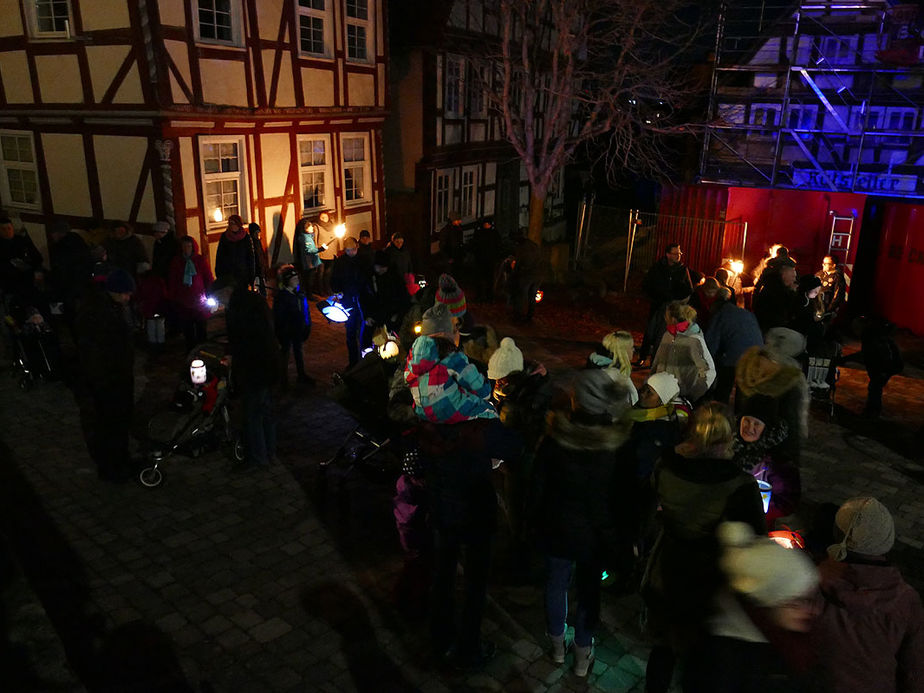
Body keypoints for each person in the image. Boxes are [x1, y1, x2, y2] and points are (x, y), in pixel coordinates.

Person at [406, 302, 520, 670]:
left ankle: (440, 640)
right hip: (474, 507)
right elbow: (511, 444)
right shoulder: (475, 429)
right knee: (474, 582)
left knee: (443, 573)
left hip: (442, 504)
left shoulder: (423, 404)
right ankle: (468, 648)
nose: (460, 334)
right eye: (456, 329)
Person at [642, 403, 766, 693]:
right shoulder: (740, 484)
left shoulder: (665, 465)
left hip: (667, 566)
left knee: (663, 646)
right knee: (700, 652)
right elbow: (755, 540)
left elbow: (647, 507)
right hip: (711, 577)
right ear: (729, 436)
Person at [534, 370, 635, 677]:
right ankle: (582, 656)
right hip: (595, 536)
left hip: (556, 529)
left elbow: (537, 487)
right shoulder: (616, 444)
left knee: (556, 584)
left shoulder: (555, 437)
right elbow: (623, 499)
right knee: (589, 591)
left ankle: (556, 647)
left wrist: (532, 525)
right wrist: (622, 540)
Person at [684, 522, 819, 693]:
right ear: (765, 602)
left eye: (812, 599)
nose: (813, 610)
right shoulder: (725, 665)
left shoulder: (775, 636)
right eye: (796, 602)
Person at [811, 497, 924, 693]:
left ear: (836, 534)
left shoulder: (814, 580)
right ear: (887, 540)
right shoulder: (905, 600)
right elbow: (915, 672)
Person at [76, 269, 137, 482]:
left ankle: (122, 459)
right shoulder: (98, 312)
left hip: (119, 376)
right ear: (115, 291)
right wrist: (103, 379)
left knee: (120, 422)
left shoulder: (115, 307)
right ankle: (112, 468)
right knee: (109, 424)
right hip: (107, 380)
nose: (128, 298)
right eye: (125, 294)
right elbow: (96, 351)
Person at [216, 276, 280, 469]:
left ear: (226, 291)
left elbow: (242, 339)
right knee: (266, 412)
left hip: (255, 367)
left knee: (253, 414)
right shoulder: (254, 299)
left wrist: (232, 356)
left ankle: (258, 458)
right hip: (270, 363)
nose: (219, 303)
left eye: (219, 298)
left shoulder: (238, 307)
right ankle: (270, 454)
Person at [404, 302, 497, 424]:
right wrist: (486, 389)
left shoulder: (414, 355)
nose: (458, 334)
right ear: (445, 334)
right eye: (456, 330)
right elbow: (479, 388)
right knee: (489, 410)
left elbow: (408, 379)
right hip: (448, 410)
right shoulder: (452, 356)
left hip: (423, 412)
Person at [732, 394, 801, 528]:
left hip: (758, 524)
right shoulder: (727, 445)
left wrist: (754, 509)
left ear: (767, 427)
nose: (750, 428)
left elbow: (786, 502)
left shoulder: (777, 459)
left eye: (757, 423)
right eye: (746, 421)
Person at [735, 345, 809, 459]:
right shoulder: (746, 379)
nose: (757, 373)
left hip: (769, 449)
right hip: (767, 448)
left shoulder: (746, 377)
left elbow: (791, 421)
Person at [639, 243, 700, 364]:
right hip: (658, 304)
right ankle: (642, 356)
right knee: (651, 331)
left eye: (679, 253)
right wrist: (654, 296)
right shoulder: (658, 268)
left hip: (672, 307)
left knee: (663, 332)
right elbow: (647, 284)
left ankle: (655, 360)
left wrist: (678, 299)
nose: (678, 256)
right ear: (667, 254)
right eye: (675, 253)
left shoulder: (682, 270)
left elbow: (689, 288)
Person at [705, 288, 764, 403]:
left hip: (734, 356)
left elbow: (711, 343)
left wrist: (707, 364)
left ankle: (720, 410)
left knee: (724, 385)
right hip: (757, 354)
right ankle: (740, 414)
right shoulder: (746, 313)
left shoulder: (720, 315)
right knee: (745, 390)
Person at [651, 301, 716, 402]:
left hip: (682, 397)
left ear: (672, 319)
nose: (664, 318)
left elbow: (709, 370)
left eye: (666, 315)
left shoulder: (694, 340)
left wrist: (693, 393)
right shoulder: (667, 336)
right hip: (661, 394)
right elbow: (657, 360)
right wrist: (651, 382)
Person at [167, 236, 213, 351]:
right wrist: (173, 296)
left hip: (199, 298)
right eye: (184, 246)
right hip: (183, 299)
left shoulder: (200, 260)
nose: (186, 249)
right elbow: (173, 280)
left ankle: (202, 348)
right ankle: (190, 349)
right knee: (187, 327)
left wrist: (210, 292)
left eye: (188, 246)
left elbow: (207, 277)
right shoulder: (177, 262)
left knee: (201, 326)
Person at [47, 219, 92, 328]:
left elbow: (60, 272)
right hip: (80, 288)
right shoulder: (81, 244)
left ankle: (61, 331)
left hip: (65, 289)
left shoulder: (60, 247)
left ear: (58, 233)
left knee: (63, 316)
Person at [273, 265, 313, 386]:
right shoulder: (282, 297)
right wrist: (281, 331)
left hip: (298, 329)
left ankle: (301, 375)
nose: (296, 280)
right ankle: (283, 379)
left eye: (297, 278)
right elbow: (279, 317)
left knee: (298, 352)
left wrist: (307, 324)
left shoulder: (300, 294)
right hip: (287, 331)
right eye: (293, 279)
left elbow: (305, 310)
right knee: (285, 353)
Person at [329, 237, 366, 368]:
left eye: (353, 250)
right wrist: (337, 291)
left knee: (363, 331)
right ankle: (353, 362)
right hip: (348, 301)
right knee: (350, 332)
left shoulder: (362, 260)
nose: (351, 252)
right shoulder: (340, 263)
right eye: (348, 250)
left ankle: (365, 359)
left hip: (362, 299)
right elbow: (334, 279)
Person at [857, 317, 903, 418]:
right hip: (883, 365)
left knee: (875, 387)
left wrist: (884, 371)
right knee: (875, 386)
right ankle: (872, 409)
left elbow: (886, 355)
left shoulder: (876, 340)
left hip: (886, 366)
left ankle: (873, 411)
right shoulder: (872, 338)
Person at [361, 250, 409, 342]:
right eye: (378, 267)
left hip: (391, 320)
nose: (379, 270)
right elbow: (364, 297)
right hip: (373, 319)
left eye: (382, 267)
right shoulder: (370, 277)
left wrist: (397, 315)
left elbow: (403, 298)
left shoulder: (395, 278)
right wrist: (366, 315)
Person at [0, 215, 43, 299]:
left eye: (9, 228)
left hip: (27, 280)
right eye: (3, 229)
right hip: (8, 283)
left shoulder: (22, 241)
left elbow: (37, 258)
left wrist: (31, 268)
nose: (7, 231)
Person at [753, 256, 799, 333]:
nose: (794, 278)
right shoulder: (776, 290)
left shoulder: (770, 285)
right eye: (792, 274)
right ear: (784, 273)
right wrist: (792, 293)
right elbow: (785, 311)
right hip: (773, 332)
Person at [509, 231, 542, 322]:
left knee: (521, 295)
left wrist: (514, 271)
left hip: (526, 274)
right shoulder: (534, 246)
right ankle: (530, 315)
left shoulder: (521, 248)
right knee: (532, 295)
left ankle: (519, 315)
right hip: (537, 274)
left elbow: (518, 263)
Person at [214, 214, 255, 286]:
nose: (231, 225)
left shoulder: (245, 237)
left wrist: (251, 276)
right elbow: (220, 256)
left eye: (232, 223)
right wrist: (219, 273)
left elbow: (250, 257)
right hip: (228, 274)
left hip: (242, 274)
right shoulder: (225, 237)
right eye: (229, 223)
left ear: (238, 224)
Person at [471, 217, 499, 302]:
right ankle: (483, 296)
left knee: (487, 279)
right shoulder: (492, 233)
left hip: (487, 260)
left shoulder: (482, 233)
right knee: (483, 279)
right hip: (484, 259)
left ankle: (486, 296)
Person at [293, 216, 321, 297]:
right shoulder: (305, 238)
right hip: (308, 262)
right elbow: (310, 250)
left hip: (309, 262)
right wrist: (321, 249)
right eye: (310, 226)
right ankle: (309, 294)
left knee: (309, 278)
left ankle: (308, 293)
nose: (312, 227)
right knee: (309, 279)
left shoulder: (307, 236)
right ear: (305, 229)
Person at [313, 210, 338, 295]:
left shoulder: (332, 226)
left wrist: (336, 251)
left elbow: (335, 239)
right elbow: (315, 240)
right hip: (321, 254)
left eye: (326, 217)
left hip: (331, 253)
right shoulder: (316, 227)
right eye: (322, 217)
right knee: (320, 273)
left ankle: (327, 288)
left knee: (328, 273)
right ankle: (320, 290)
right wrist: (317, 252)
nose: (324, 219)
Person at [815, 255, 846, 320]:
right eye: (823, 263)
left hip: (827, 310)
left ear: (833, 265)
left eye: (826, 264)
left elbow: (838, 295)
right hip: (817, 307)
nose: (823, 265)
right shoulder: (819, 274)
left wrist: (829, 310)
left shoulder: (837, 277)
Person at [384, 232, 414, 296]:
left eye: (401, 242)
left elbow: (409, 264)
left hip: (404, 279)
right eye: (397, 242)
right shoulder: (388, 252)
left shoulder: (405, 251)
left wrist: (410, 275)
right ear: (393, 241)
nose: (399, 244)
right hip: (394, 281)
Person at [249, 222, 267, 296]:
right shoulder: (251, 243)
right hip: (256, 272)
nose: (258, 235)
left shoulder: (258, 242)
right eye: (256, 233)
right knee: (257, 290)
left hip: (261, 271)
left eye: (258, 233)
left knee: (263, 289)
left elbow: (261, 256)